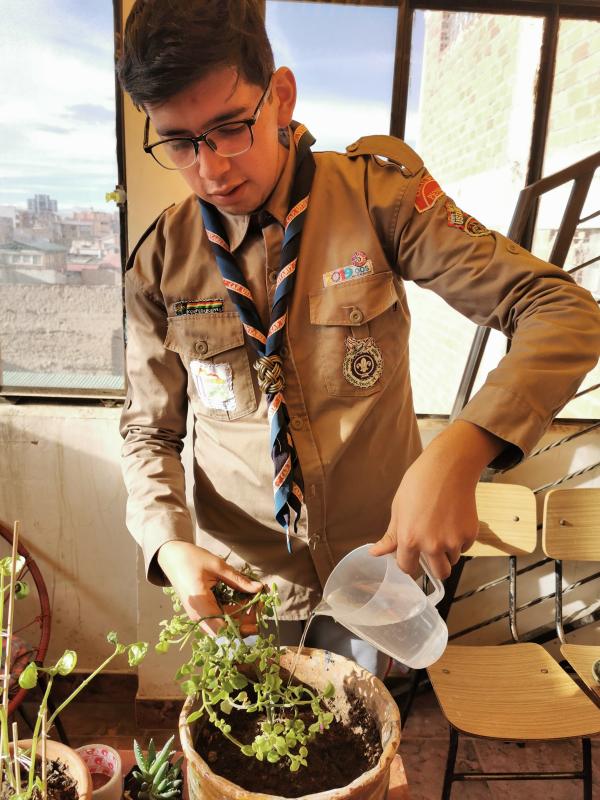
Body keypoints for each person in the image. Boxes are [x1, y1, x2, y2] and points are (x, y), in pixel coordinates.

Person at [117, 0, 600, 676]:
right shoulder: (160, 261)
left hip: (378, 571)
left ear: (280, 96)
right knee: (266, 748)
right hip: (244, 586)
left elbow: (563, 310)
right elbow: (149, 433)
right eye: (178, 142)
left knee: (365, 736)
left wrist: (463, 450)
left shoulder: (378, 200)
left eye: (229, 129)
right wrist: (169, 544)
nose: (211, 169)